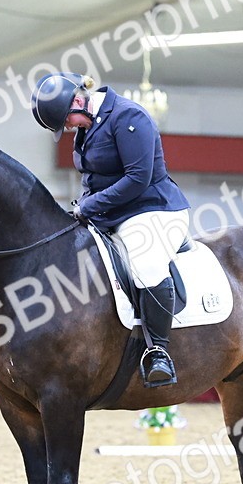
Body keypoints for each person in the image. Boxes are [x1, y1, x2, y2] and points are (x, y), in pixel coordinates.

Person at [31, 73, 190, 388]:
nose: (68, 128)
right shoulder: (88, 126)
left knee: (145, 264)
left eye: (67, 121)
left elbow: (138, 177)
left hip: (152, 210)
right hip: (111, 213)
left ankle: (158, 351)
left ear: (78, 100)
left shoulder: (129, 117)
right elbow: (93, 178)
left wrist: (88, 208)